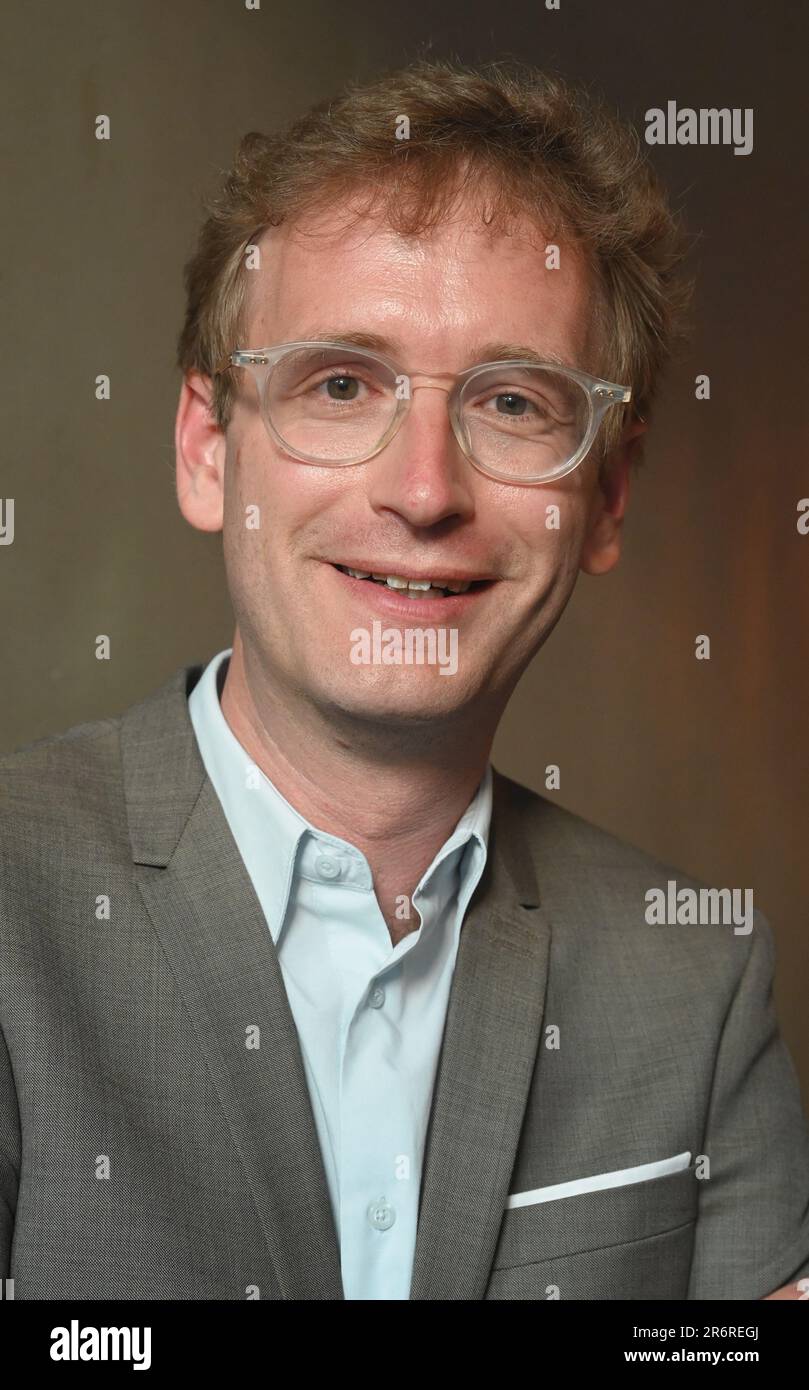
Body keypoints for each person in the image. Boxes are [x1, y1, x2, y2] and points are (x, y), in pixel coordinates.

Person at [1, 58, 807, 1302]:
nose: (422, 490)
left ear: (606, 496)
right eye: (339, 384)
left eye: (512, 402)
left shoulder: (693, 981)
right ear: (209, 448)